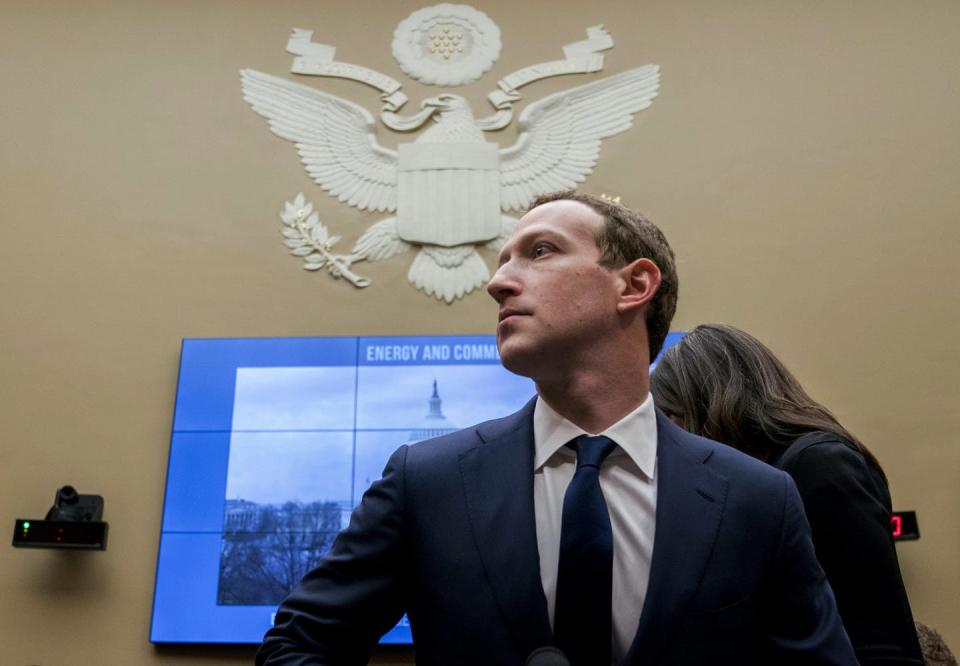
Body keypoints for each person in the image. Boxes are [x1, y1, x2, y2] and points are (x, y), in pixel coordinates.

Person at [257, 192, 856, 665]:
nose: (497, 283)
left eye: (539, 252)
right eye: (502, 263)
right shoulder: (427, 481)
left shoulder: (756, 498)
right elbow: (300, 647)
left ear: (634, 285)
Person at [650, 323, 923, 665]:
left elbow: (878, 635)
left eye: (673, 416)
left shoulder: (820, 466)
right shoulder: (750, 482)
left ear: (710, 404)